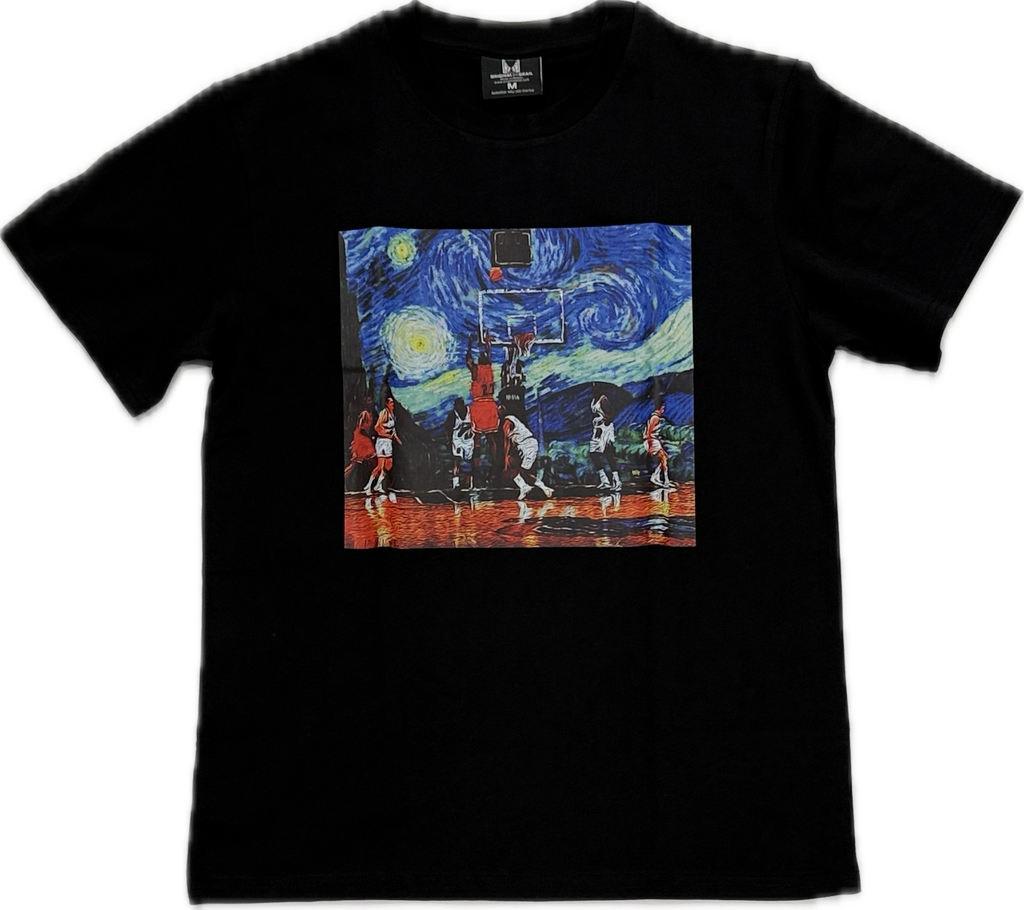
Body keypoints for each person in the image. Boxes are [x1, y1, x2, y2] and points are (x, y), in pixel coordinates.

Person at [466, 333, 500, 483]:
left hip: (480, 405)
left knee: (477, 441)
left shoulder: (476, 370)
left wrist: (469, 343)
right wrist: (487, 344)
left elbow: (468, 360)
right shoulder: (489, 369)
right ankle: (495, 467)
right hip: (490, 405)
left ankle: (476, 470)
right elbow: (488, 355)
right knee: (492, 440)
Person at [500, 406, 553, 500]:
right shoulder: (512, 420)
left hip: (528, 445)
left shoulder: (507, 422)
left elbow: (506, 441)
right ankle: (524, 486)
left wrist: (506, 455)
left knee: (523, 470)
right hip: (521, 446)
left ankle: (543, 487)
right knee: (512, 467)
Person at [363, 395, 402, 494]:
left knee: (388, 465)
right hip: (382, 442)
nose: (393, 404)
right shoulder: (384, 413)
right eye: (391, 402)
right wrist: (387, 435)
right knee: (380, 466)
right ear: (387, 404)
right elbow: (377, 427)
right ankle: (368, 486)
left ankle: (378, 485)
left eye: (393, 402)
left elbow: (393, 431)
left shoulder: (393, 415)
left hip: (388, 442)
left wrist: (399, 441)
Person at [589, 384, 621, 491]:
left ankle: (616, 480)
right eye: (593, 388)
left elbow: (610, 416)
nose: (594, 390)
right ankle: (604, 480)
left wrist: (601, 421)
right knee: (593, 454)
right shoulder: (594, 400)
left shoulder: (603, 399)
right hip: (597, 429)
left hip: (605, 429)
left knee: (608, 454)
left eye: (596, 388)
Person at [444, 397, 476, 489]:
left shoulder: (470, 412)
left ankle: (469, 482)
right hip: (457, 441)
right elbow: (447, 429)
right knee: (456, 461)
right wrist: (448, 440)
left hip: (469, 441)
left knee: (470, 462)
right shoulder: (452, 415)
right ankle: (456, 483)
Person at [644, 398, 675, 488]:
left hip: (653, 440)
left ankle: (657, 477)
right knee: (663, 458)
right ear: (660, 407)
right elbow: (649, 432)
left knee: (664, 458)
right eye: (663, 407)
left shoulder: (655, 417)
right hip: (651, 440)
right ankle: (664, 480)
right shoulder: (655, 418)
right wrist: (651, 443)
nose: (663, 409)